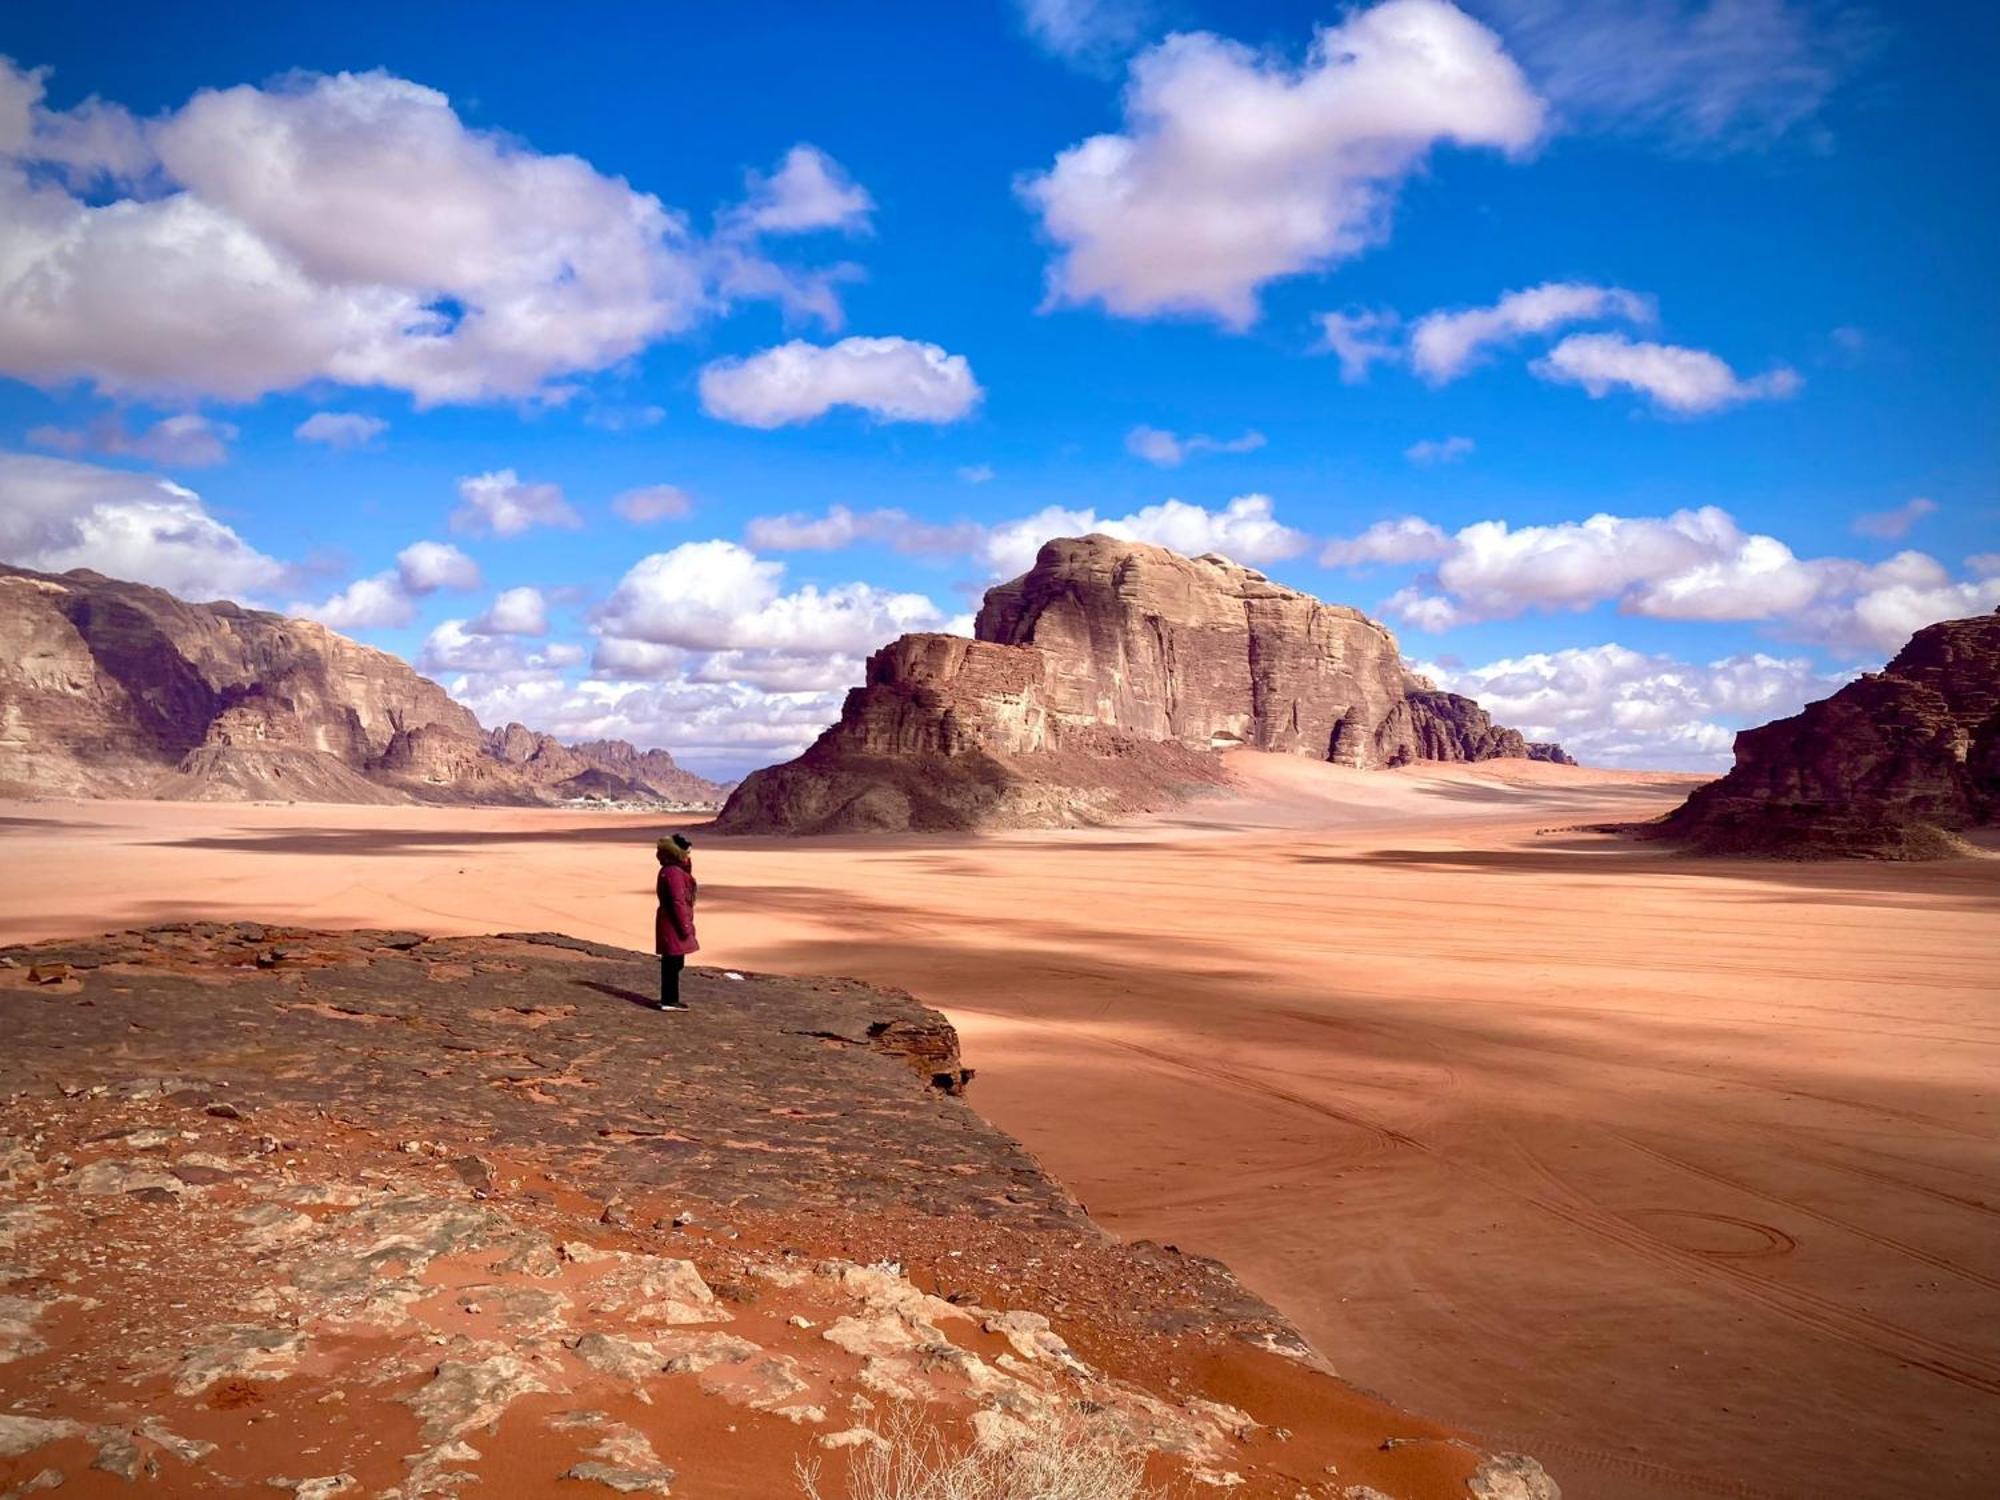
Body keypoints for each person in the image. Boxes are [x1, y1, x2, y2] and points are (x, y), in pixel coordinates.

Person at [654, 834, 698, 1011]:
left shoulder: (673, 870)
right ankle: (669, 1000)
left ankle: (669, 999)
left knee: (673, 962)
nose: (689, 855)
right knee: (673, 963)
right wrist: (685, 927)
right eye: (687, 852)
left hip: (670, 922)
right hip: (673, 924)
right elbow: (677, 901)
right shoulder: (673, 872)